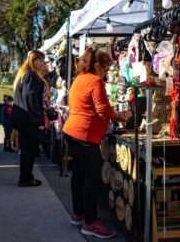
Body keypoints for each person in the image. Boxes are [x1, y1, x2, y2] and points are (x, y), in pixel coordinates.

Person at [63, 48, 132, 239]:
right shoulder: (95, 81)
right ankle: (91, 222)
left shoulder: (79, 78)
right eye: (105, 67)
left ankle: (79, 214)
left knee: (78, 175)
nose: (106, 71)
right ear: (97, 66)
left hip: (72, 132)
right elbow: (102, 110)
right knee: (91, 178)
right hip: (85, 136)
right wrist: (121, 115)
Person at [12, 50, 47, 187]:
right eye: (41, 60)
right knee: (29, 150)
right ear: (34, 61)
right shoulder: (31, 75)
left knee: (27, 149)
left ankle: (26, 177)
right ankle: (26, 178)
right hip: (28, 119)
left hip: (23, 118)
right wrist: (38, 121)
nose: (43, 63)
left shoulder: (24, 74)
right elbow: (31, 98)